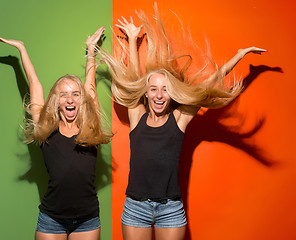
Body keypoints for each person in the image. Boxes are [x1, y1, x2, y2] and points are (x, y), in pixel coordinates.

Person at [100, 5, 266, 240]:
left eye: (165, 90)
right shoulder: (137, 115)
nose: (159, 95)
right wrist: (132, 41)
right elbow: (132, 81)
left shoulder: (179, 119)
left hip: (171, 210)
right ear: (146, 93)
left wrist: (239, 56)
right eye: (153, 89)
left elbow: (208, 85)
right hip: (136, 207)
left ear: (172, 93)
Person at [0, 26, 111, 240]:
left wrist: (91, 50)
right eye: (64, 94)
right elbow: (34, 83)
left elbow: (90, 82)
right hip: (51, 219)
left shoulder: (90, 127)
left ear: (81, 100)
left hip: (88, 219)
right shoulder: (46, 128)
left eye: (75, 94)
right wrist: (21, 49)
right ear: (57, 101)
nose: (70, 99)